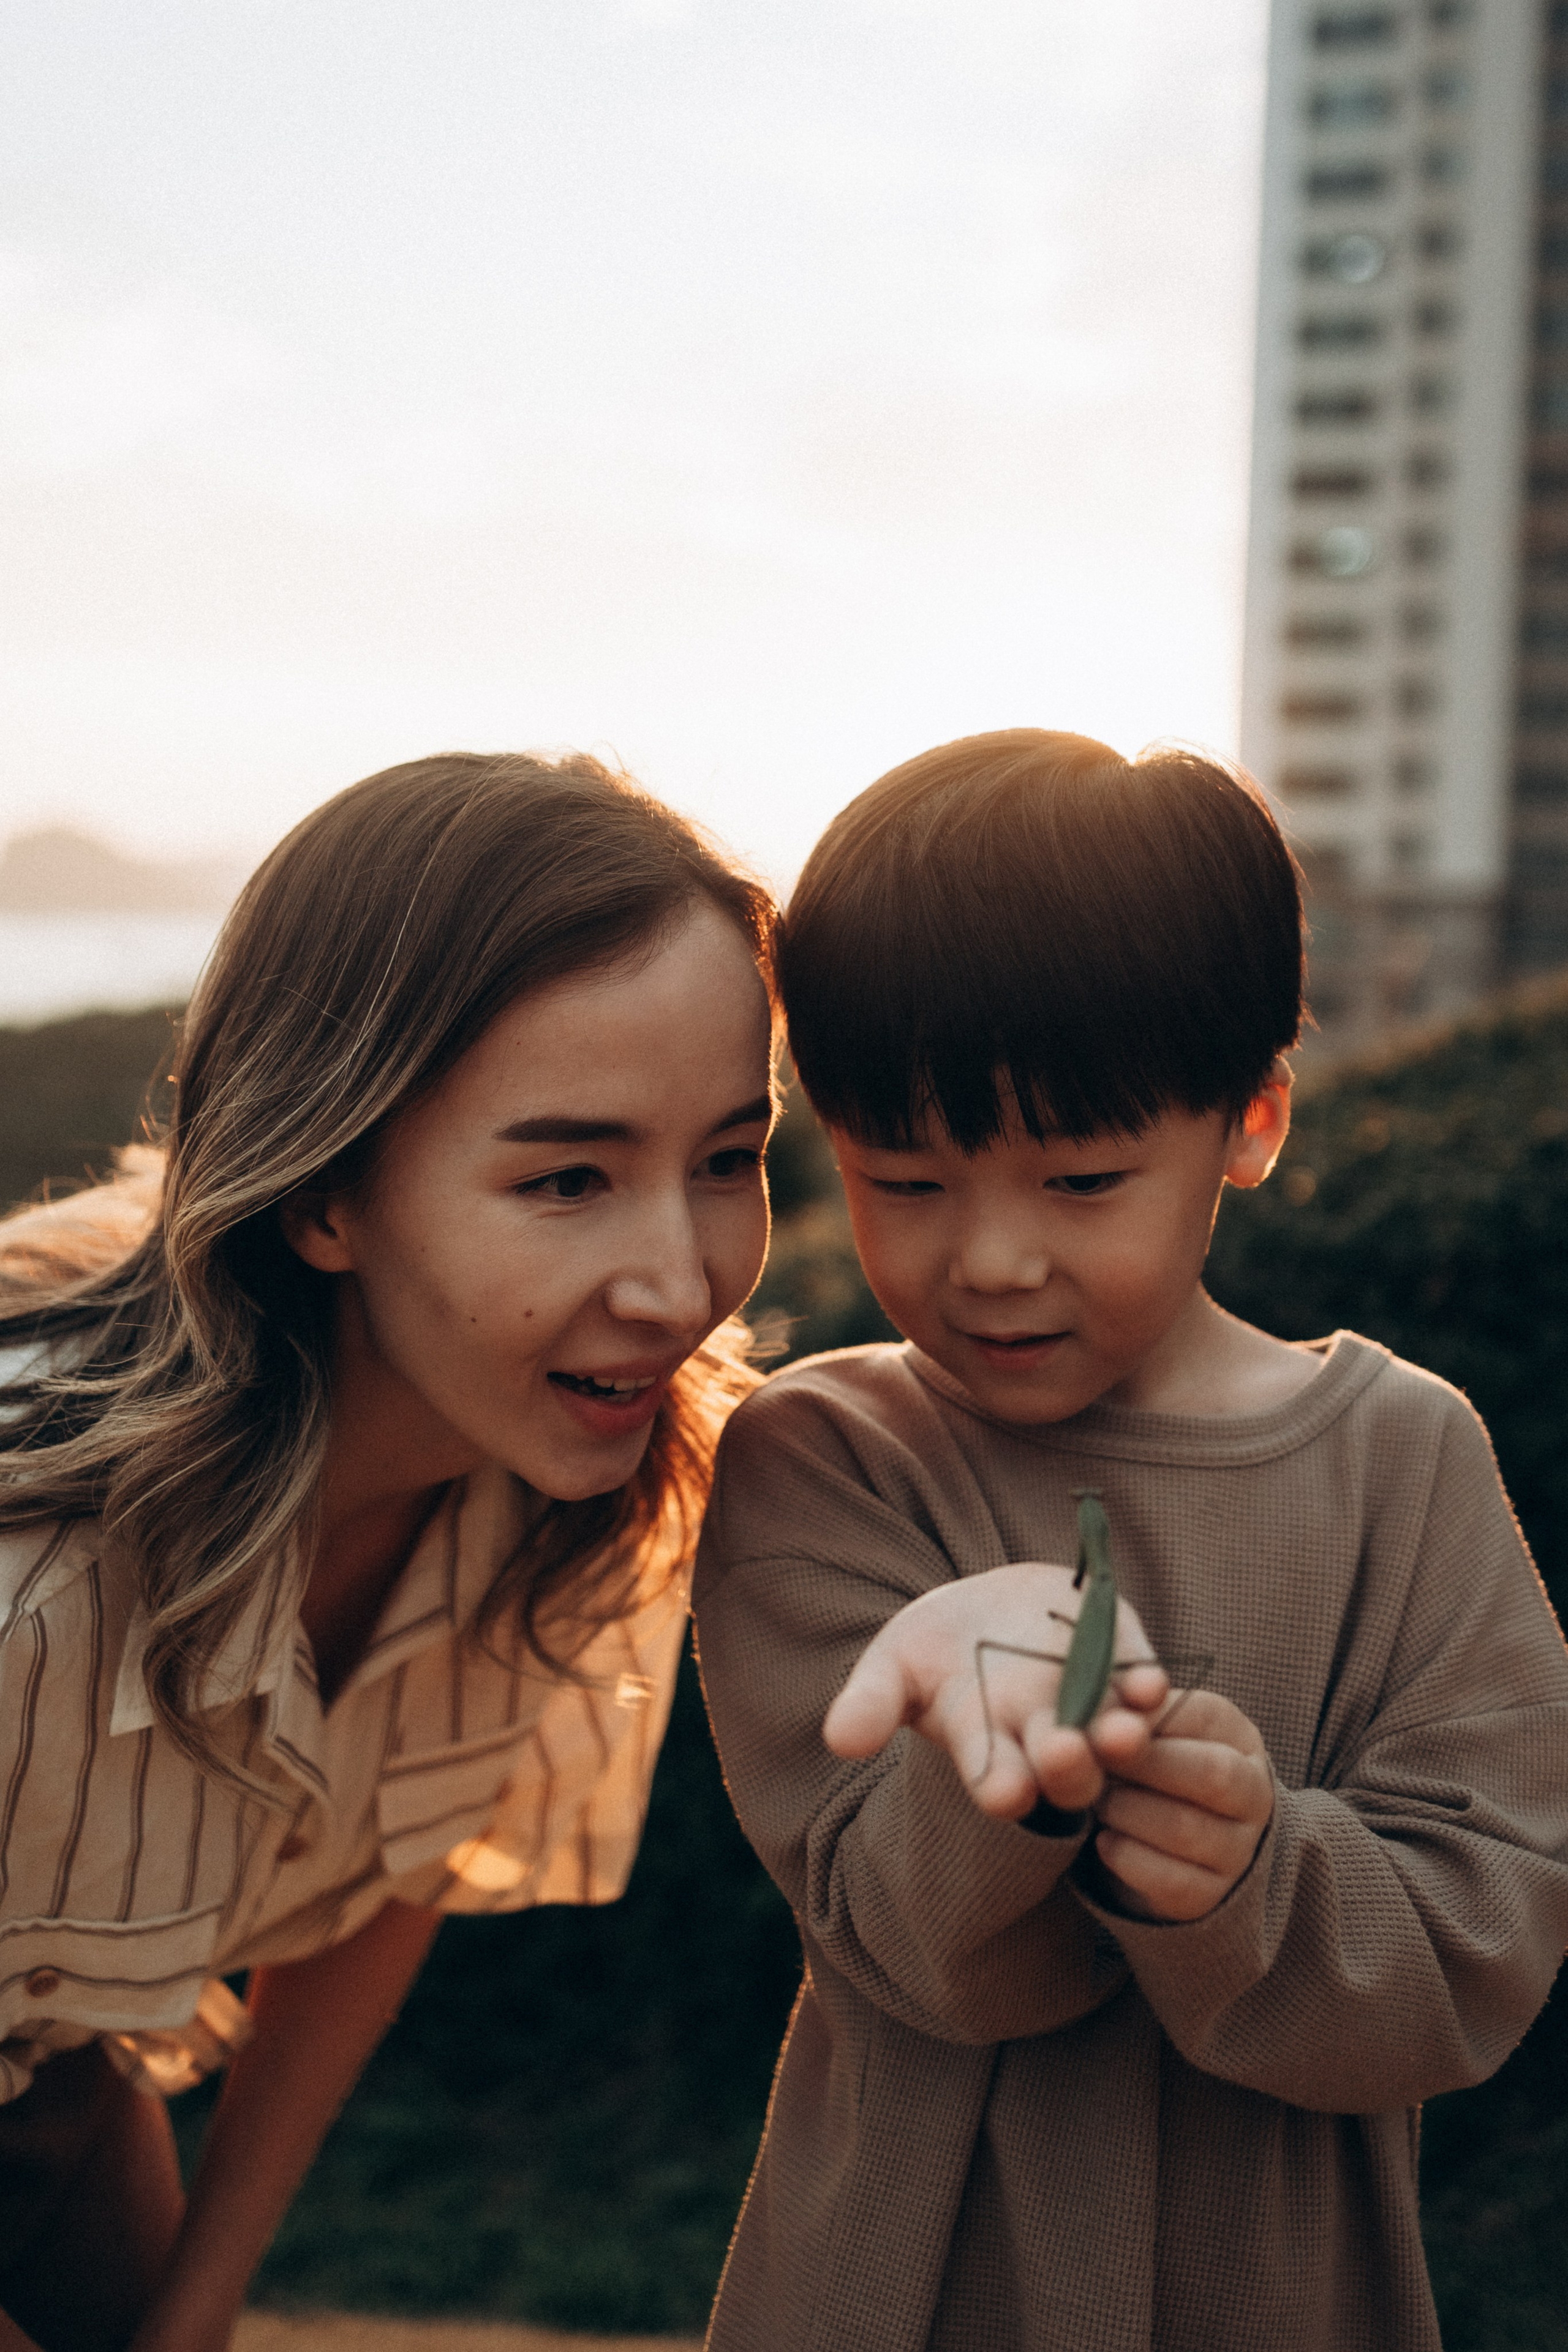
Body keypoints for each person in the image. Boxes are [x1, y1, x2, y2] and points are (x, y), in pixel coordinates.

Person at [692, 728, 1568, 2352]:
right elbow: (910, 1945)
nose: (994, 1260)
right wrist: (1008, 1762)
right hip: (905, 2296)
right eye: (907, 1181)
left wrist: (1252, 1874)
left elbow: (1484, 1942)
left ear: (1253, 1120)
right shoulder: (826, 1458)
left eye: (1084, 1180)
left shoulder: (1403, 1458)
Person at [0, 751, 777, 2352]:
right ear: (325, 1196)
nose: (680, 1283)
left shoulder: (559, 1485)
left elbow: (396, 1861)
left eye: (728, 1159)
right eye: (567, 1178)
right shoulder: (33, 1595)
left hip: (55, 2092)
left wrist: (200, 2307)